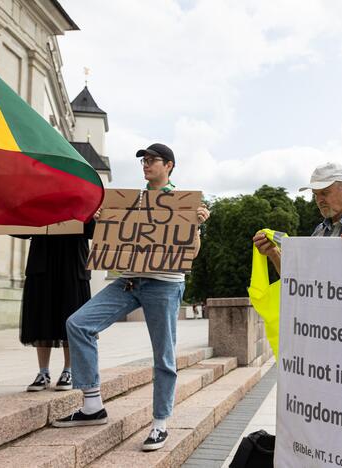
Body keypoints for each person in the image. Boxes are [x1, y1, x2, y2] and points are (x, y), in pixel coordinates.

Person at [52, 143, 210, 453]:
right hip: (129, 280)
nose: (146, 165)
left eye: (153, 160)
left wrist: (196, 226)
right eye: (144, 160)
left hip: (164, 284)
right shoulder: (131, 201)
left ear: (169, 166)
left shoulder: (184, 204)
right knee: (79, 324)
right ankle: (92, 405)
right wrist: (103, 220)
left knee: (163, 355)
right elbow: (116, 242)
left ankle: (160, 423)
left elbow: (191, 254)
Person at [252, 162, 342, 271]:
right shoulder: (319, 232)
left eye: (325, 193)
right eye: (315, 194)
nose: (319, 200)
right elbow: (301, 283)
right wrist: (273, 253)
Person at [17, 219, 97, 392]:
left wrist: (91, 216)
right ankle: (43, 373)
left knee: (72, 317)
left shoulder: (87, 194)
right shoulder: (36, 194)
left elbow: (94, 231)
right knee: (41, 317)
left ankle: (68, 371)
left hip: (73, 263)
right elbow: (21, 230)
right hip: (42, 261)